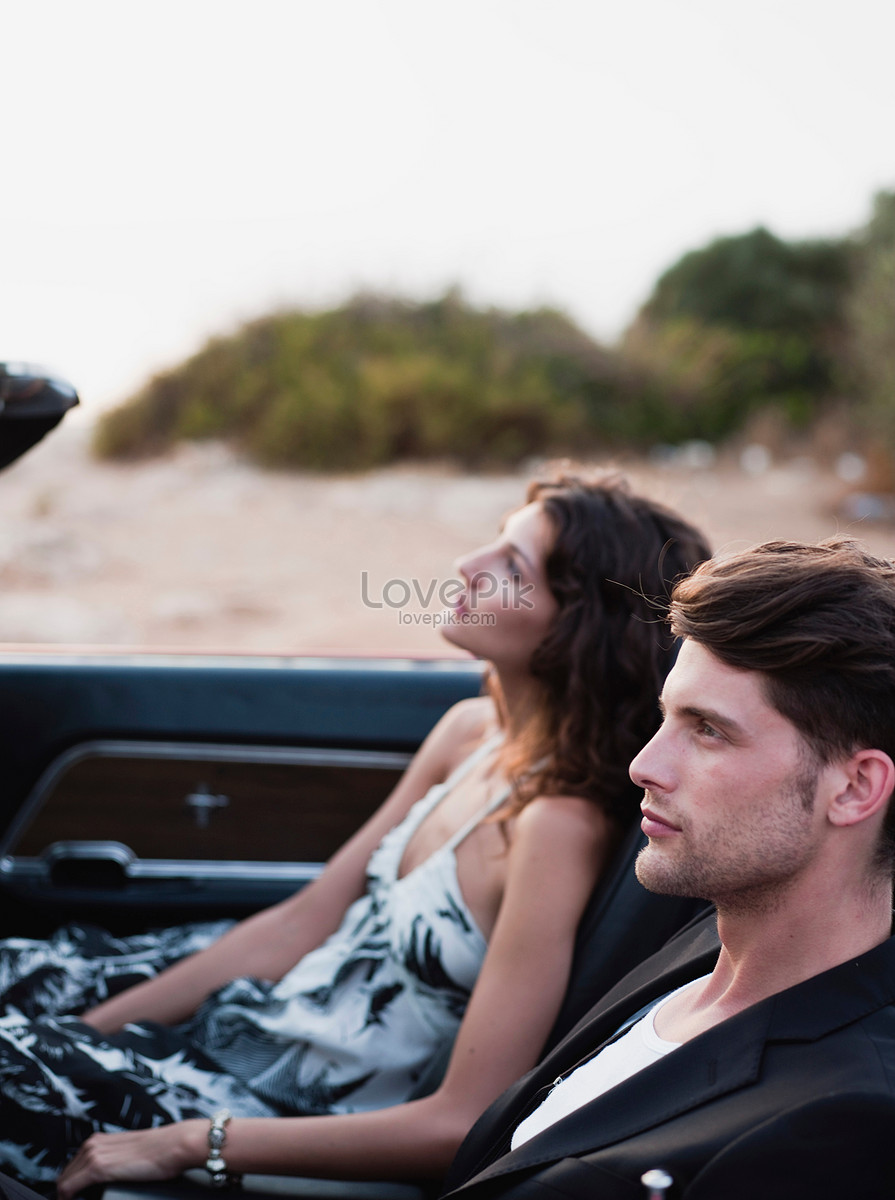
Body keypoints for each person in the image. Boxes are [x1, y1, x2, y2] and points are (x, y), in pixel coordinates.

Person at [0, 471, 711, 1195]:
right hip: (250, 1023)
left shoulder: (554, 825)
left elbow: (463, 1121)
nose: (468, 565)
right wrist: (91, 1031)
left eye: (510, 566)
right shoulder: (470, 732)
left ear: (574, 623)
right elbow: (304, 919)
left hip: (273, 1108)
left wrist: (193, 1143)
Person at [438, 535, 895, 1200]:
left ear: (853, 789)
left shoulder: (841, 1125)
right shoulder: (712, 936)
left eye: (707, 730)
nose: (643, 767)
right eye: (665, 718)